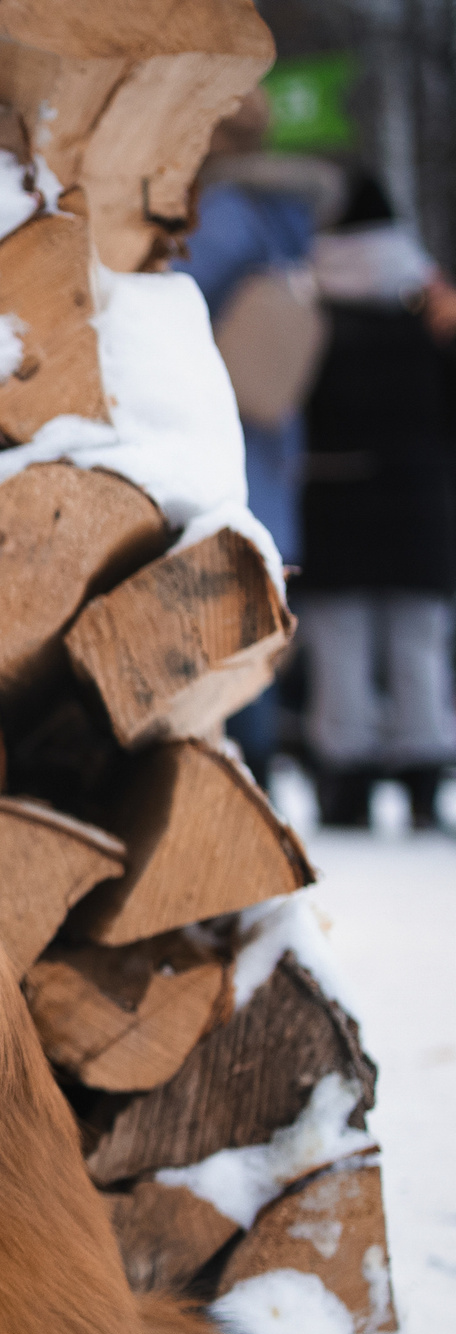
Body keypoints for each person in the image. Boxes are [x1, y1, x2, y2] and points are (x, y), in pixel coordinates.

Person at [173, 93, 341, 785]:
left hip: (216, 448)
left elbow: (177, 303)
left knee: (218, 637)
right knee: (257, 628)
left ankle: (230, 789)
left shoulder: (223, 216)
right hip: (272, 455)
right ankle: (255, 786)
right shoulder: (290, 222)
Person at [293, 172, 456, 828]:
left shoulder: (307, 308)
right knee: (419, 644)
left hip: (335, 500)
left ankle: (346, 781)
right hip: (420, 501)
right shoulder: (432, 311)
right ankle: (423, 777)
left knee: (341, 646)